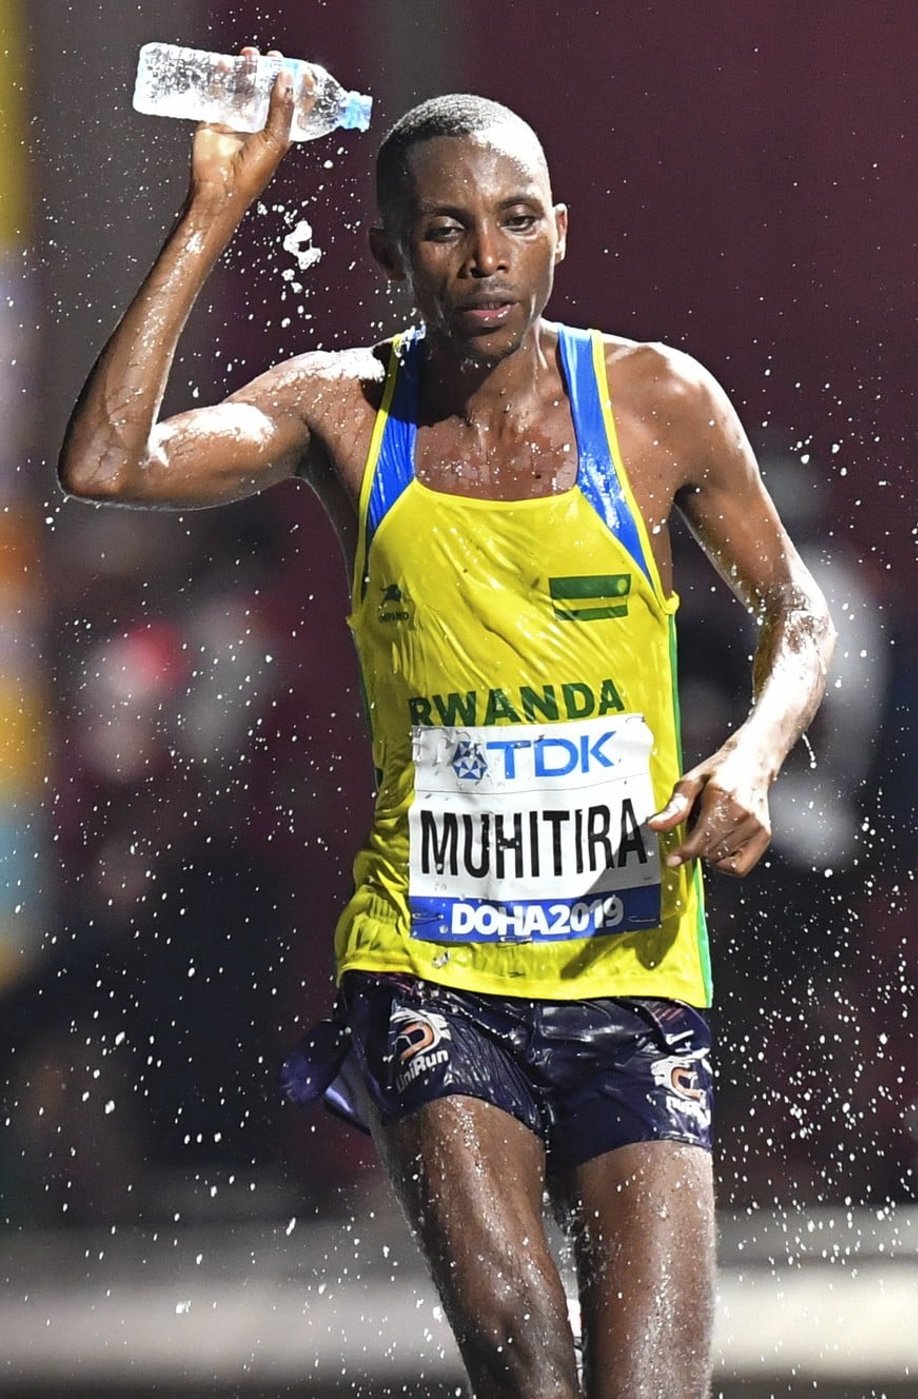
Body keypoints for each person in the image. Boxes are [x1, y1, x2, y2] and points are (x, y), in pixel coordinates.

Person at [59, 53, 835, 1399]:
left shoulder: (655, 405)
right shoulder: (341, 409)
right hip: (432, 970)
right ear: (388, 250)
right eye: (446, 227)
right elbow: (107, 463)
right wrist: (216, 208)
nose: (486, 258)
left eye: (517, 220)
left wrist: (753, 757)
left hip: (634, 971)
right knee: (527, 1365)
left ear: (561, 232)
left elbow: (799, 617)